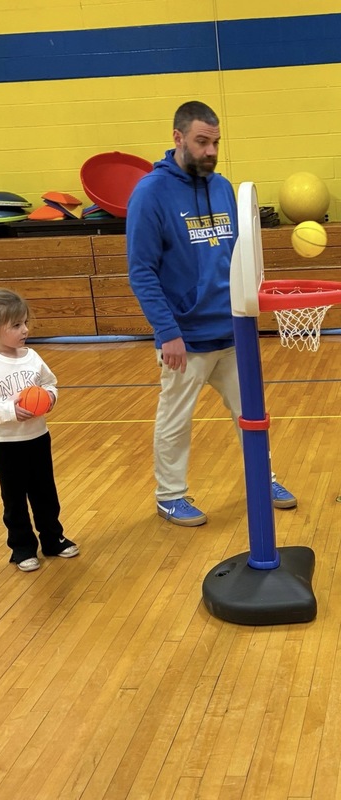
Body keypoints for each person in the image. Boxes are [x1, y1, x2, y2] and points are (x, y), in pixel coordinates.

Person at [127, 100, 297, 527]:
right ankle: (170, 496)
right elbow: (141, 271)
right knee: (176, 420)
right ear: (178, 138)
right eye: (202, 141)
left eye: (216, 142)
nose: (210, 151)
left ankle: (263, 479)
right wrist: (168, 333)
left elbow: (240, 255)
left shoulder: (223, 188)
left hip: (233, 331)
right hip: (184, 336)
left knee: (252, 415)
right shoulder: (150, 193)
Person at [0, 288, 79, 570]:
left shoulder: (32, 357)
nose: (25, 329)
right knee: (14, 499)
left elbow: (50, 383)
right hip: (5, 445)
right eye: (16, 325)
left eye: (25, 322)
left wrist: (50, 397)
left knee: (45, 493)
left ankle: (53, 539)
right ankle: (22, 547)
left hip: (38, 438)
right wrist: (10, 411)